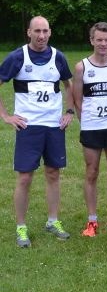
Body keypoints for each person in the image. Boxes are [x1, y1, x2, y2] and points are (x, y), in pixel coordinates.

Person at [0, 16, 75, 247]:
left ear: (50, 32)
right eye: (37, 31)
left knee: (53, 174)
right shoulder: (17, 57)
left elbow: (69, 84)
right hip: (28, 127)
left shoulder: (57, 57)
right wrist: (5, 115)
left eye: (45, 31)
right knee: (25, 177)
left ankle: (52, 221)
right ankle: (21, 228)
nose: (41, 36)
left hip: (54, 126)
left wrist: (69, 111)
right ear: (29, 32)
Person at [72, 22, 107, 237]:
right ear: (92, 40)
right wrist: (88, 121)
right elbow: (78, 101)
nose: (103, 44)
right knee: (91, 171)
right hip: (91, 127)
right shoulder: (82, 67)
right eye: (99, 40)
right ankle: (92, 220)